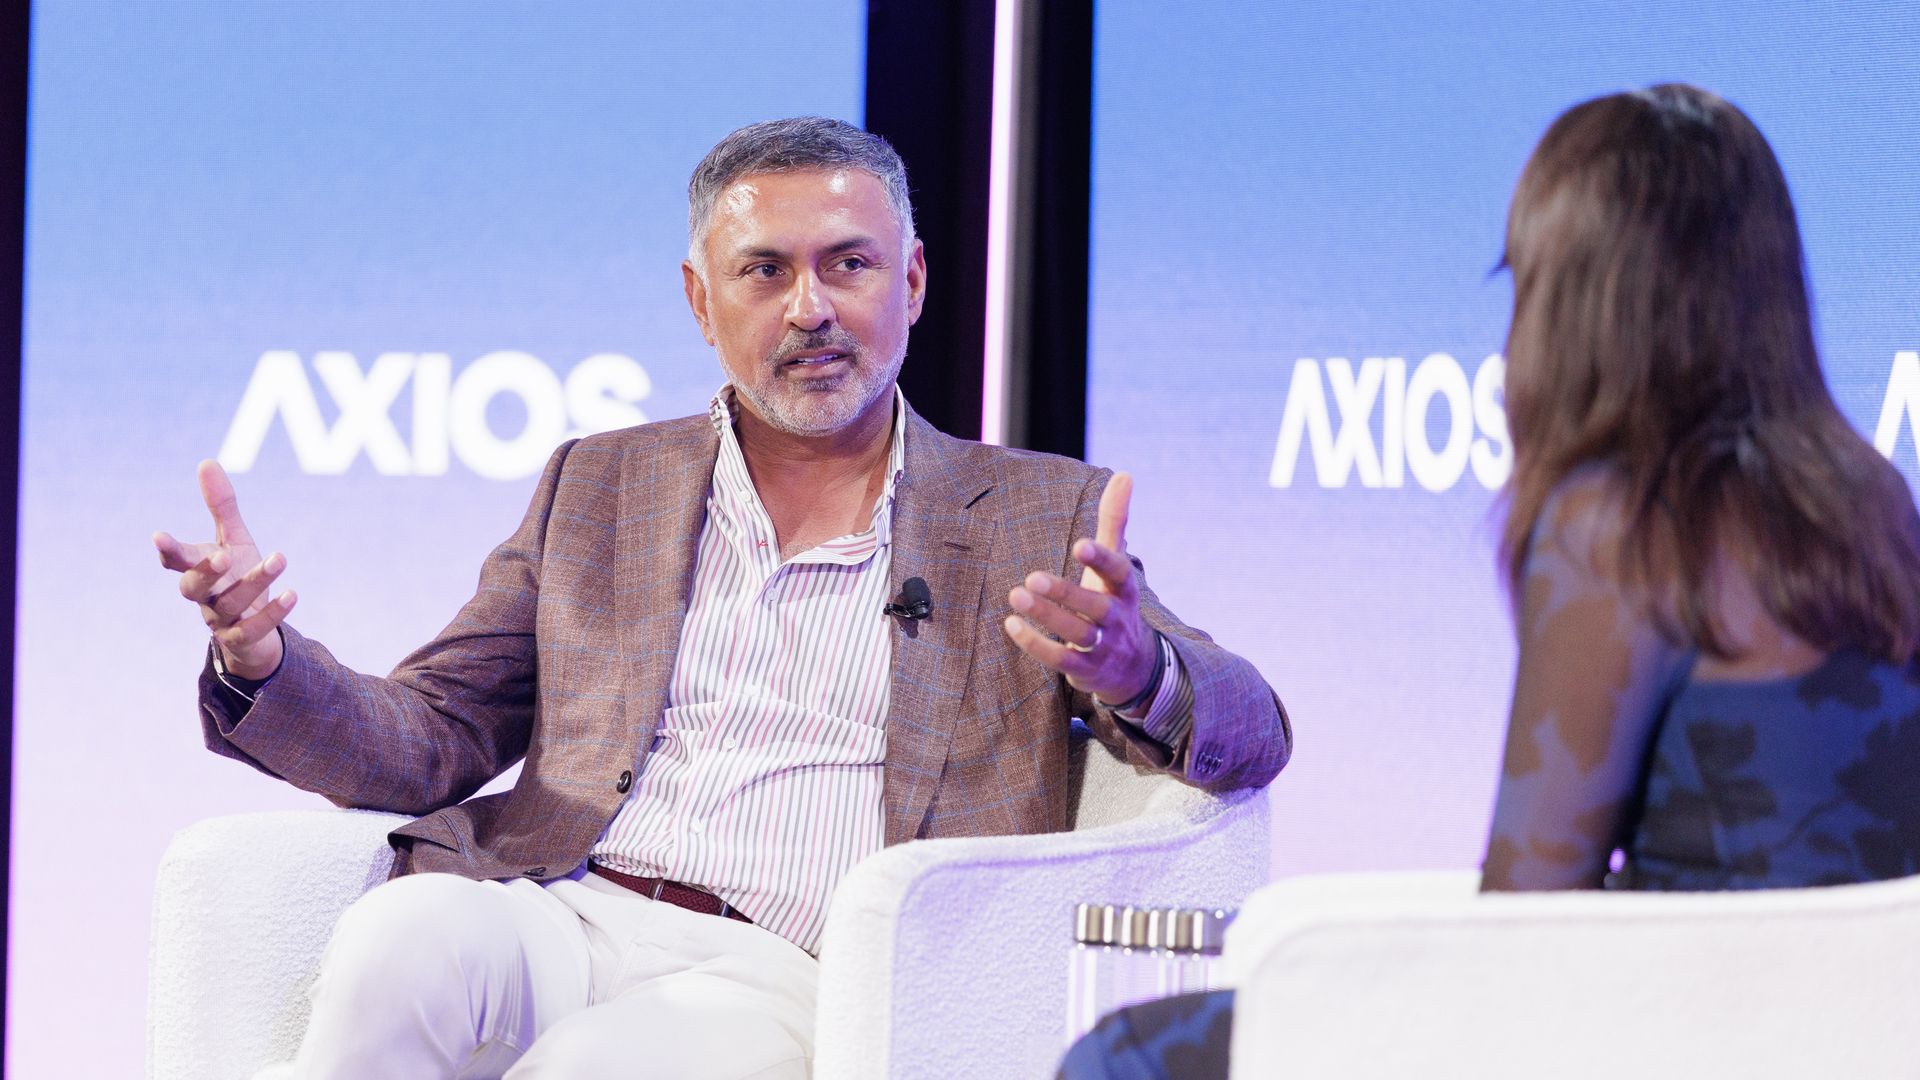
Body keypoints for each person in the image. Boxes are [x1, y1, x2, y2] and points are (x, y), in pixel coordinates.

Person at [154, 117, 1292, 1080]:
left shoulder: (1039, 513)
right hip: (568, 906)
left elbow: (1257, 737)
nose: (810, 309)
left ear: (914, 281)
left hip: (800, 968)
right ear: (703, 300)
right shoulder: (601, 483)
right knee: (396, 942)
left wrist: (1142, 671)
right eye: (765, 271)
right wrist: (264, 660)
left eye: (848, 264)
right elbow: (436, 736)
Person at [1058, 82, 1920, 1078]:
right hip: (1840, 1036)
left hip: (1671, 1029)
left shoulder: (1620, 522)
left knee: (1126, 1054)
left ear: (1574, 299)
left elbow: (1528, 914)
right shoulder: (1869, 498)